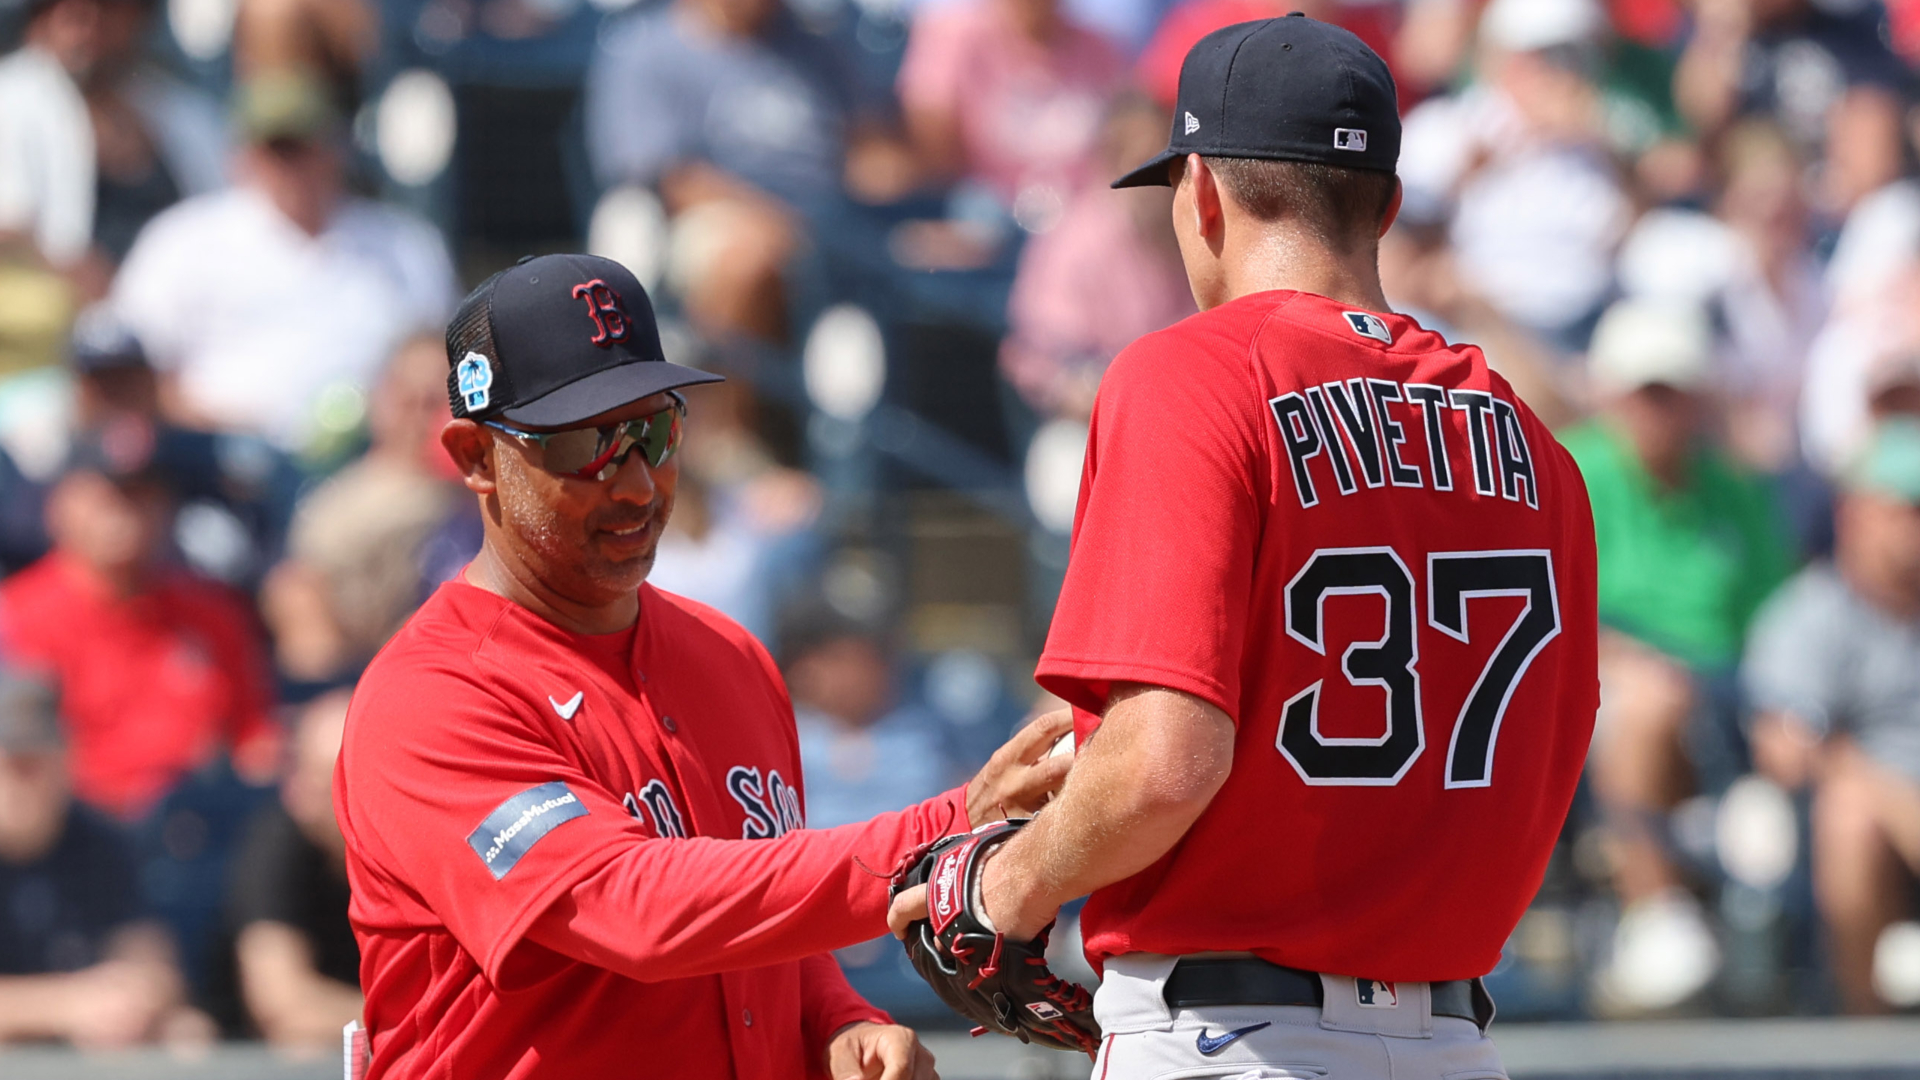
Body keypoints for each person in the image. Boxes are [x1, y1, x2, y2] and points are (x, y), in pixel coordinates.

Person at [889, 16, 1597, 1078]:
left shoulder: (1191, 376)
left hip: (1233, 1038)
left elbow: (1169, 763)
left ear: (1203, 196)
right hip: (1455, 1043)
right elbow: (1495, 731)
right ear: (1387, 206)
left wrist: (1007, 889)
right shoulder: (1531, 438)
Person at [334, 254, 1071, 1080]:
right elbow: (638, 911)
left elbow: (755, 922)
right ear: (476, 456)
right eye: (591, 444)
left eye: (656, 430)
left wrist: (837, 1017)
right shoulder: (433, 698)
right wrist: (948, 824)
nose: (639, 484)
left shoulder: (728, 656)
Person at [1560, 299, 1791, 1011]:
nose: (1658, 410)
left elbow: (1773, 615)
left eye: (1673, 392)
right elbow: (1539, 600)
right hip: (1598, 692)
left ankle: (1736, 930)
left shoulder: (1733, 488)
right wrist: (1617, 656)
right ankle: (1654, 906)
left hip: (1726, 698)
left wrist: (1784, 710)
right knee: (1651, 705)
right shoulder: (1571, 469)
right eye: (1644, 392)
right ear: (1610, 395)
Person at [112, 72, 456, 452]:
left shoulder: (406, 244)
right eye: (276, 149)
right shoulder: (184, 240)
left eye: (303, 146)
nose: (291, 166)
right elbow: (130, 368)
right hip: (220, 455)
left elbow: (441, 362)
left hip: (370, 456)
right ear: (243, 156)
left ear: (337, 148)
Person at [0, 429, 278, 823]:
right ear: (61, 502)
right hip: (84, 838)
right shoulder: (16, 617)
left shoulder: (212, 610)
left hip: (204, 827)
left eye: (142, 493)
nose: (125, 510)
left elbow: (256, 741)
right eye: (108, 494)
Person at [1743, 420, 1920, 1014]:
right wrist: (1903, 810)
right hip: (1861, 825)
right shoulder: (1807, 614)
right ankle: (1867, 1030)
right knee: (1851, 815)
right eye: (1904, 508)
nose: (1913, 526)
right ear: (1855, 514)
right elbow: (1786, 748)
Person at [0, 670, 207, 1047]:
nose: (19, 782)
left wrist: (135, 998)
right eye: (11, 764)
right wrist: (65, 1005)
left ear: (65, 761)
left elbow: (151, 958)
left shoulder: (100, 839)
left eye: (33, 764)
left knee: (188, 1033)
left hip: (81, 1053)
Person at [218, 690, 360, 1046]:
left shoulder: (410, 848)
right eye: (301, 770)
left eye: (322, 778)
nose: (299, 792)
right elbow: (283, 1007)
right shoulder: (277, 845)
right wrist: (409, 1025)